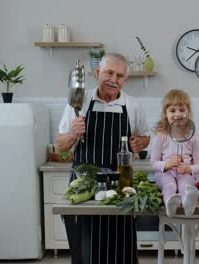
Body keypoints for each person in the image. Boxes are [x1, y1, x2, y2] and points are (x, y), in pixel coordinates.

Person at [56, 53, 150, 264]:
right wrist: (73, 134)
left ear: (125, 79)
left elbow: (145, 137)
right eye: (109, 73)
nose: (114, 79)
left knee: (121, 246)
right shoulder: (79, 103)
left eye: (120, 75)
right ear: (97, 72)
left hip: (120, 186)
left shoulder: (132, 105)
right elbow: (60, 145)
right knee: (86, 244)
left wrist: (140, 143)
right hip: (85, 188)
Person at [150, 89, 199, 217]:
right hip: (165, 174)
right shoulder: (161, 136)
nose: (177, 114)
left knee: (185, 185)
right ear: (165, 114)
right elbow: (153, 163)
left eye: (182, 110)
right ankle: (169, 203)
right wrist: (167, 164)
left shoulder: (193, 137)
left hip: (184, 174)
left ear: (188, 113)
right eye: (172, 110)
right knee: (170, 185)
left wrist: (188, 168)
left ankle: (188, 204)